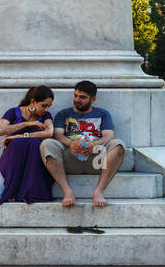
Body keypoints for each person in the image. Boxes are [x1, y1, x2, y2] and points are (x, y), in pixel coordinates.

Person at [40, 80, 124, 208]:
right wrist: (71, 143)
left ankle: (99, 191)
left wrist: (94, 144)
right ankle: (67, 191)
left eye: (83, 97)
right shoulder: (64, 114)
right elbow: (57, 134)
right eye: (75, 96)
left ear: (93, 98)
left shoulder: (102, 114)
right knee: (47, 144)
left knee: (118, 144)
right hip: (70, 158)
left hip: (96, 159)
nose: (77, 99)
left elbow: (109, 136)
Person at [0, 85, 57, 204]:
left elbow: (49, 132)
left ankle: (31, 191)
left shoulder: (45, 116)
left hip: (33, 156)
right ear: (33, 102)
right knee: (17, 144)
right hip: (15, 155)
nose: (46, 109)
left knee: (32, 143)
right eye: (44, 105)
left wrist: (19, 136)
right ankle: (12, 191)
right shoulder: (13, 112)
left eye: (49, 106)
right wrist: (26, 124)